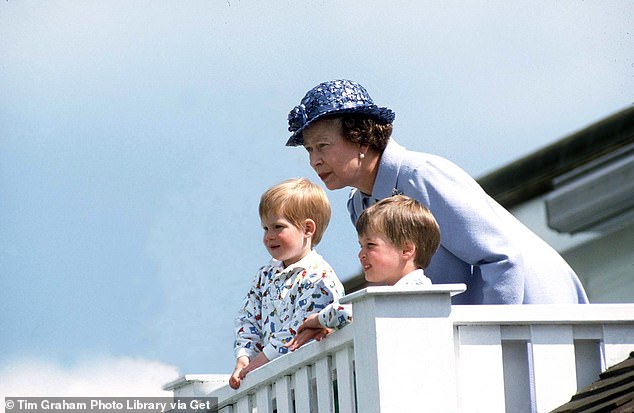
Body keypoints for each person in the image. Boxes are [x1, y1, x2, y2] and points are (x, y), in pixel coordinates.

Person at [285, 79, 588, 305]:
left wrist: (487, 344)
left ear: (361, 138)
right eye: (309, 150)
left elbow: (501, 257)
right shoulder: (359, 204)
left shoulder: (421, 175)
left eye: (322, 146)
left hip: (540, 318)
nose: (314, 161)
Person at [229, 178, 345, 389]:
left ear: (308, 228)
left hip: (313, 382)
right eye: (265, 228)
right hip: (274, 383)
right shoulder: (265, 275)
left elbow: (298, 329)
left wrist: (258, 364)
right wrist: (244, 357)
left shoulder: (319, 278)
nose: (269, 236)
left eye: (278, 227)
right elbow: (248, 317)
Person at [287, 195, 441, 350]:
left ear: (406, 249)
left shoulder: (413, 290)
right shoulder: (402, 292)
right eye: (361, 245)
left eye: (370, 245)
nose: (361, 254)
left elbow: (346, 312)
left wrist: (317, 320)